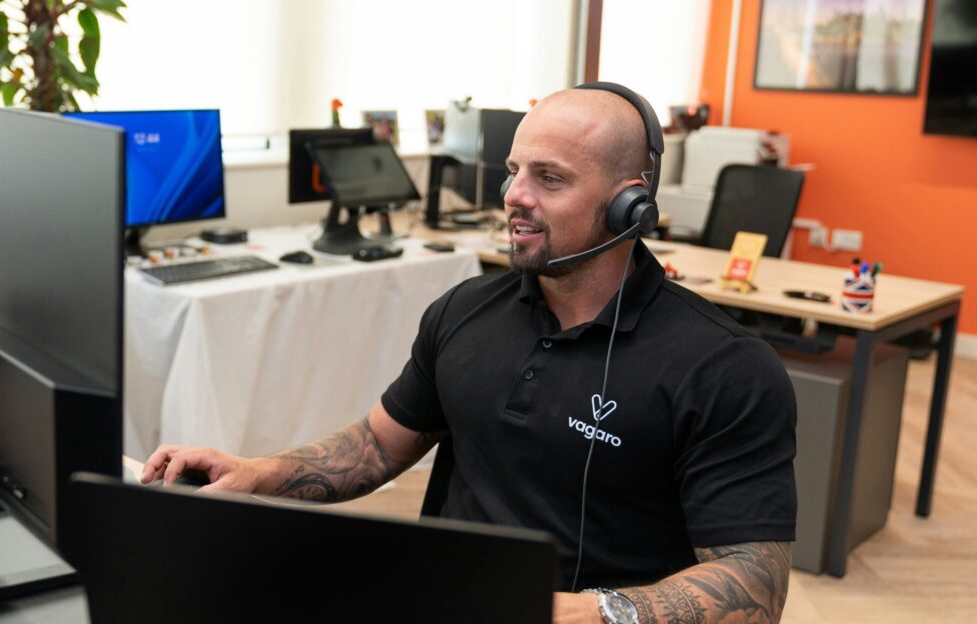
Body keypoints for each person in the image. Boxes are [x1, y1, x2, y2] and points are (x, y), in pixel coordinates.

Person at [142, 84, 797, 624]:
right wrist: (257, 471)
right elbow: (375, 448)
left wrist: (594, 613)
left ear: (629, 205)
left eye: (550, 178)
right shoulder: (465, 311)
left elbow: (755, 585)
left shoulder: (724, 368)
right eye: (515, 171)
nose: (514, 195)